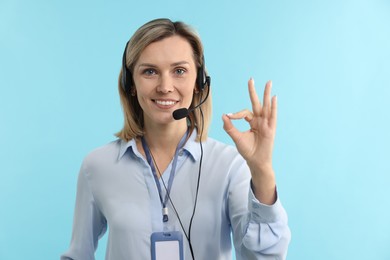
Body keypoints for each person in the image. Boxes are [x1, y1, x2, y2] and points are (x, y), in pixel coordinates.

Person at [61, 18, 291, 260]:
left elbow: (264, 257)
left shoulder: (229, 165)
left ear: (199, 83)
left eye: (179, 71)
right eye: (150, 71)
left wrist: (262, 169)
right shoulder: (98, 166)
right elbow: (78, 255)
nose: (165, 86)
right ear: (131, 83)